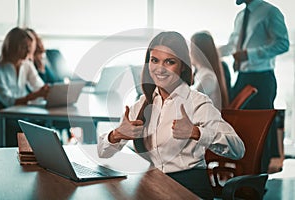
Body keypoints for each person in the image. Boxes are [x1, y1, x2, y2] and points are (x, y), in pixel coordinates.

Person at [97, 31, 245, 199]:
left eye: (170, 62)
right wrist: (116, 135)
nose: (160, 68)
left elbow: (238, 149)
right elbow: (103, 152)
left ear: (182, 66)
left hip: (189, 185)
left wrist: (196, 132)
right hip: (155, 182)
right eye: (154, 60)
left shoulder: (197, 102)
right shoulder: (143, 103)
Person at [218, 0, 289, 172]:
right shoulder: (240, 16)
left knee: (259, 129)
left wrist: (250, 55)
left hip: (262, 79)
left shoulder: (270, 12)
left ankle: (259, 176)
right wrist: (211, 52)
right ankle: (243, 173)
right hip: (242, 77)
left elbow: (283, 44)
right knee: (241, 127)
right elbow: (233, 46)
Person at [0, 27, 49, 146]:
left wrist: (48, 91)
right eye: (24, 47)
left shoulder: (27, 65)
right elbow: (8, 101)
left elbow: (38, 85)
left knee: (45, 125)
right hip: (3, 116)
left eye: (29, 47)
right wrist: (36, 95)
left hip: (21, 112)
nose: (28, 51)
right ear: (13, 46)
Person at [190, 31, 230, 110]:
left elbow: (191, 103)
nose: (189, 52)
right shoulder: (201, 73)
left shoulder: (208, 77)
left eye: (191, 48)